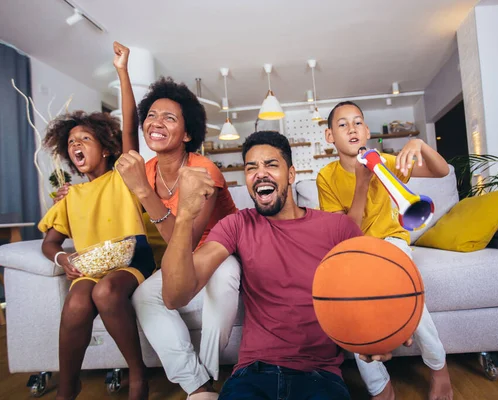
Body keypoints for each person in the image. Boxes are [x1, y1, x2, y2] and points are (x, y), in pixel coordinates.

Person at [159, 131, 393, 399]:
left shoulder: (337, 228)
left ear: (291, 175)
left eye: (271, 165)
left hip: (320, 375)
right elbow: (174, 295)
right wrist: (185, 215)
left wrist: (382, 335)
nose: (260, 173)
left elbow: (371, 289)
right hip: (253, 374)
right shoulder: (237, 225)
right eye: (251, 168)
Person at [316, 101, 453, 400]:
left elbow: (442, 171)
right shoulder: (326, 177)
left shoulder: (385, 161)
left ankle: (438, 367)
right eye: (342, 124)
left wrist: (418, 144)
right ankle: (380, 387)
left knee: (409, 292)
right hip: (354, 248)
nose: (351, 128)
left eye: (357, 122)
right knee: (350, 306)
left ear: (366, 131)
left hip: (392, 241)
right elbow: (346, 231)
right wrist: (362, 184)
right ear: (330, 136)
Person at [39, 42, 151, 400]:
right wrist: (64, 259)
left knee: (105, 292)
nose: (76, 145)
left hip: (132, 259)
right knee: (76, 302)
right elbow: (50, 243)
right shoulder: (71, 195)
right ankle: (68, 385)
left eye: (85, 138)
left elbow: (131, 125)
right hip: (91, 265)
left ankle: (137, 373)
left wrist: (122, 71)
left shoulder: (123, 173)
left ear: (105, 146)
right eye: (72, 142)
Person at [119, 77, 240, 399]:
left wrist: (143, 192)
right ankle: (197, 385)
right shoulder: (146, 169)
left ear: (187, 133)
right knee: (144, 297)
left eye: (169, 118)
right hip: (179, 260)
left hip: (220, 250)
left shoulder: (203, 171)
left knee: (224, 276)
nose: (156, 123)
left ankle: (211, 372)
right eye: (152, 116)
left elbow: (185, 241)